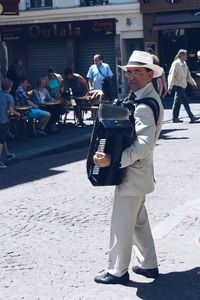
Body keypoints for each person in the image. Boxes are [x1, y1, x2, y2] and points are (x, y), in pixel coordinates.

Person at [93, 50, 164, 285]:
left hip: (131, 175)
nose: (131, 76)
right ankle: (148, 264)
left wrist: (113, 161)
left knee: (122, 224)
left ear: (149, 74)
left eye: (137, 72)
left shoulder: (144, 105)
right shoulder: (142, 98)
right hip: (140, 175)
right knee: (138, 221)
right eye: (129, 72)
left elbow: (143, 146)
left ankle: (117, 270)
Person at [168, 49, 199, 123]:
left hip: (182, 85)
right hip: (177, 85)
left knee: (177, 102)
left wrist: (193, 83)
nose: (187, 56)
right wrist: (170, 86)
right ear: (181, 55)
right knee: (185, 100)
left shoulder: (184, 63)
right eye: (185, 55)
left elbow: (188, 75)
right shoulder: (176, 64)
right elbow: (171, 75)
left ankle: (175, 118)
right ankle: (191, 117)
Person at [0, 79, 21, 168]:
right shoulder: (9, 97)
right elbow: (11, 111)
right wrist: (18, 113)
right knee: (0, 140)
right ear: (9, 88)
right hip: (2, 120)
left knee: (2, 137)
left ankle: (7, 153)